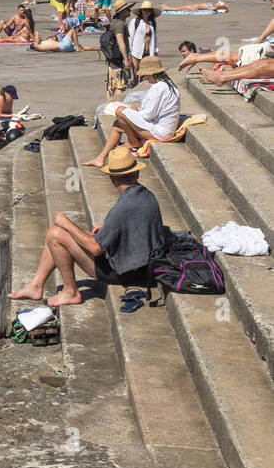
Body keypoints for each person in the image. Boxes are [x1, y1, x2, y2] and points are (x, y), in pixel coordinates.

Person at [10, 147, 167, 307]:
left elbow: (96, 249)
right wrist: (107, 227)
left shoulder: (125, 205)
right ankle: (35, 285)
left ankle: (70, 292)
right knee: (58, 233)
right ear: (137, 173)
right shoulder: (145, 194)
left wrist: (66, 222)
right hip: (138, 265)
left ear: (112, 178)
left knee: (56, 234)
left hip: (124, 272)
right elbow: (135, 224)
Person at [83, 57, 181, 166]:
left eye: (145, 75)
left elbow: (148, 115)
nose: (144, 77)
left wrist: (133, 112)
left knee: (120, 111)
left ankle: (133, 142)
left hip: (160, 131)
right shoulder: (167, 84)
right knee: (117, 125)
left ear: (152, 73)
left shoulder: (158, 87)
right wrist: (135, 111)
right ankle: (100, 158)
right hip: (160, 127)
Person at [105, 0, 134, 99]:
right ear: (121, 12)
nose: (129, 11)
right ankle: (115, 106)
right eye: (127, 9)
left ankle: (108, 106)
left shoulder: (116, 23)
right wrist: (126, 59)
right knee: (120, 86)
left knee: (111, 85)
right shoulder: (120, 24)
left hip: (113, 58)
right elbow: (120, 41)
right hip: (119, 59)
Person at [128, 1, 160, 77]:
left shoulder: (152, 23)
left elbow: (155, 38)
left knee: (146, 75)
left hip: (148, 53)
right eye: (144, 10)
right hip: (136, 52)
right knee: (135, 73)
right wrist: (128, 53)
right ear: (141, 11)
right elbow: (130, 38)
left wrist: (155, 51)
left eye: (149, 10)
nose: (146, 12)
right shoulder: (135, 22)